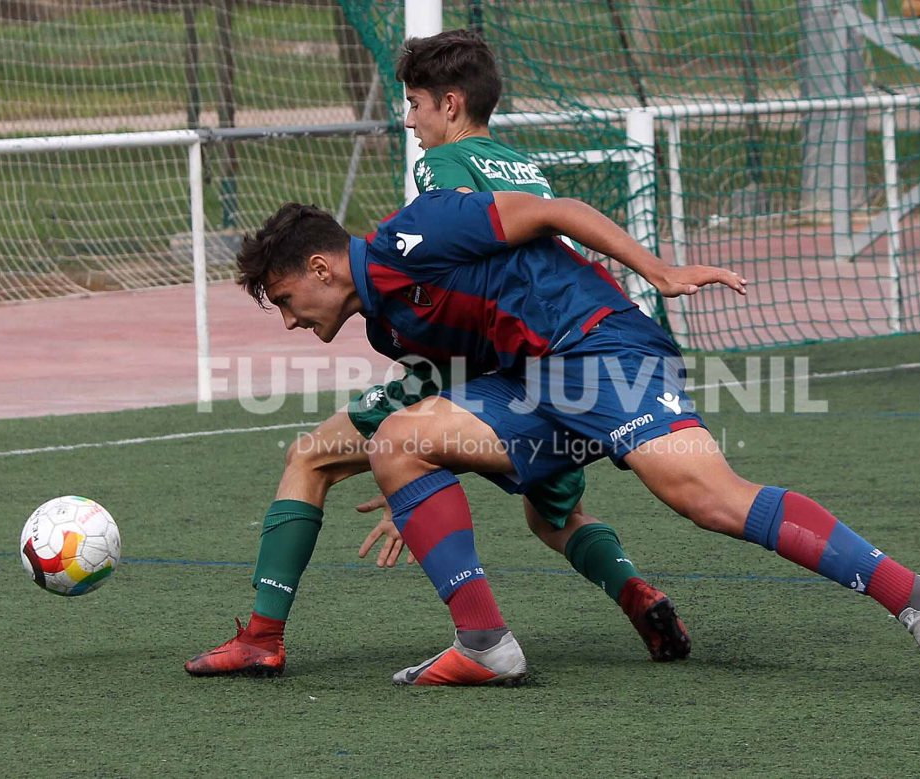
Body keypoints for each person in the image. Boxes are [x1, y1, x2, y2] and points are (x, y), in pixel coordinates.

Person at [234, 188, 920, 695]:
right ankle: (486, 646)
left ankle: (919, 596)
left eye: (287, 300)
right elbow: (455, 397)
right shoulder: (389, 326)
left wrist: (659, 272)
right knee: (399, 441)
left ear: (321, 268)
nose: (290, 320)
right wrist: (417, 490)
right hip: (533, 384)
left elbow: (554, 211)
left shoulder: (415, 231)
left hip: (599, 347)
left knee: (708, 500)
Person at [184, 30, 688, 678]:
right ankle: (634, 591)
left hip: (505, 368)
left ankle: (265, 637)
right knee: (553, 514)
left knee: (311, 456)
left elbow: (460, 269)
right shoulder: (509, 163)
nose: (410, 121)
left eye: (415, 104)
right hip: (547, 358)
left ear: (450, 104)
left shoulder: (437, 175)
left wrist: (414, 472)